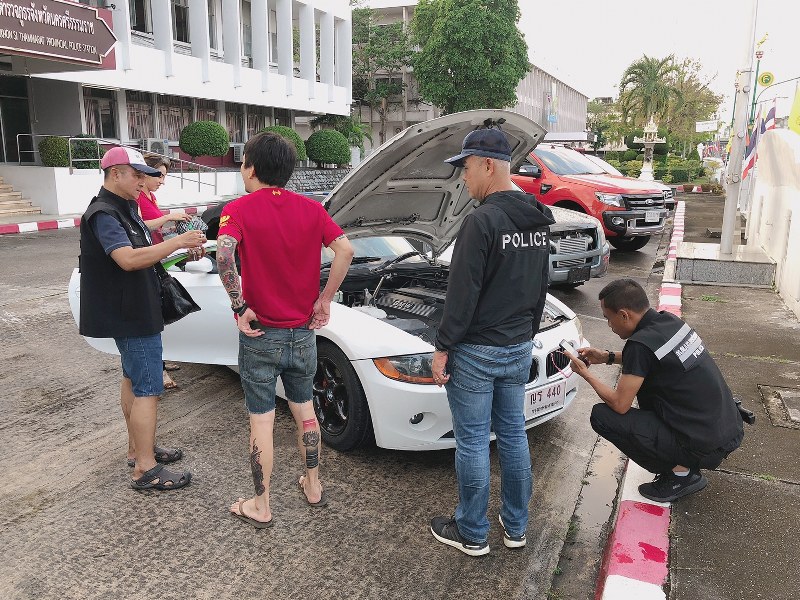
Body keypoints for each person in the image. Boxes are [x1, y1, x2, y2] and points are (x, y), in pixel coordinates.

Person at [216, 132, 353, 528]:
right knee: (305, 409)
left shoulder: (238, 209)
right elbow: (345, 250)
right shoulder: (312, 209)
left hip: (261, 334)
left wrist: (239, 306)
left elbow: (224, 254)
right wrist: (325, 299)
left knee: (262, 419)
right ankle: (313, 486)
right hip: (303, 333)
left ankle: (261, 505)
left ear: (251, 168)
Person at [429, 127, 555, 556]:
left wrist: (443, 347)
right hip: (518, 345)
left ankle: (472, 532)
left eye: (465, 168)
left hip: (477, 352)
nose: (463, 178)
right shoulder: (538, 219)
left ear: (487, 165)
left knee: (472, 441)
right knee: (514, 435)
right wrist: (527, 332)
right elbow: (540, 286)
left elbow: (461, 296)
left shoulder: (481, 221)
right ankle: (516, 527)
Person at [79, 146, 207, 491]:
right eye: (136, 175)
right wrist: (177, 242)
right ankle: (145, 470)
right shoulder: (104, 213)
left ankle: (138, 450)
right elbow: (129, 259)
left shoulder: (125, 208)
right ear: (115, 173)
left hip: (133, 309)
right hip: (132, 314)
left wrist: (180, 247)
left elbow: (145, 249)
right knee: (148, 387)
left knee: (133, 380)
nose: (142, 182)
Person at [565, 278, 744, 503]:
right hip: (726, 429)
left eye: (608, 318)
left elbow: (620, 404)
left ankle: (681, 474)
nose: (609, 325)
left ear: (624, 315)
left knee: (602, 416)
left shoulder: (639, 345)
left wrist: (585, 374)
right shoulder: (669, 321)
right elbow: (652, 357)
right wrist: (607, 357)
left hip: (703, 446)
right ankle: (683, 464)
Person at [136, 154, 200, 389]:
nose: (162, 181)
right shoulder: (136, 197)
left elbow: (155, 227)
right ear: (145, 173)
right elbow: (141, 225)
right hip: (148, 258)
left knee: (160, 312)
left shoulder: (150, 196)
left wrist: (174, 227)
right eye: (159, 175)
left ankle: (161, 358)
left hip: (160, 255)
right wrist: (169, 216)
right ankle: (158, 368)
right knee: (154, 314)